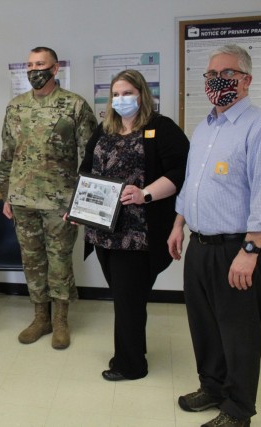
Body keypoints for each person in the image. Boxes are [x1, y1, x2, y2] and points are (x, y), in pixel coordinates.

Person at [167, 44, 261, 427]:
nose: (217, 80)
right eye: (211, 74)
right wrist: (177, 224)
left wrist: (250, 251)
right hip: (200, 245)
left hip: (238, 249)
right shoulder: (205, 128)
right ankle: (212, 387)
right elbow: (191, 184)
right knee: (203, 325)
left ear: (246, 80)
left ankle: (238, 410)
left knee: (238, 334)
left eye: (228, 73)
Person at [78, 70, 189, 380]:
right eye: (116, 94)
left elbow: (181, 172)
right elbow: (86, 170)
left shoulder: (161, 128)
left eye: (127, 93)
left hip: (138, 234)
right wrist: (77, 207)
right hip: (103, 231)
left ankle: (131, 364)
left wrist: (145, 194)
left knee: (129, 301)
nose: (121, 99)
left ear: (142, 94)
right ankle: (131, 353)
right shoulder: (104, 130)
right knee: (126, 299)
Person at [0, 47, 97, 349]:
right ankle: (40, 317)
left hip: (60, 202)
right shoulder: (16, 106)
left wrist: (80, 202)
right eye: (29, 65)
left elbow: (90, 157)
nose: (33, 70)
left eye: (40, 64)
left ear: (55, 69)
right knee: (32, 261)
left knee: (59, 261)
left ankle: (60, 321)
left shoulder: (74, 105)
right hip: (22, 199)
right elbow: (7, 153)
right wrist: (6, 194)